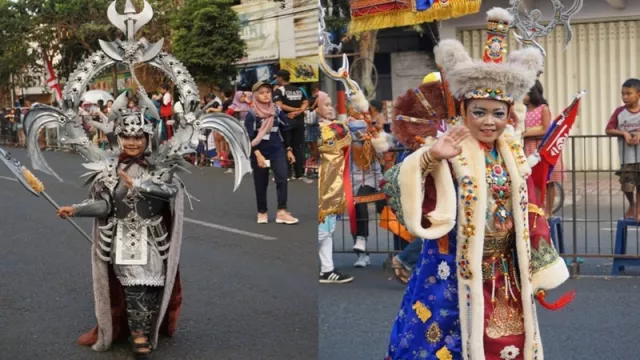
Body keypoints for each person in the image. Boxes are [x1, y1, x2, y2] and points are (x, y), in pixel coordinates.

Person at [384, 9, 573, 359]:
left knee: (505, 347)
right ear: (465, 111)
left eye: (497, 113)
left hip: (503, 273)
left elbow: (531, 207)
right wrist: (430, 159)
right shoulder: (449, 146)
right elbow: (397, 186)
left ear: (508, 115)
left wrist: (538, 262)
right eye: (479, 112)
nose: (489, 122)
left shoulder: (513, 154)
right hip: (451, 271)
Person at [55, 93, 185, 359]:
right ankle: (139, 336)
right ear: (119, 138)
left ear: (147, 138)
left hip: (155, 234)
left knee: (152, 285)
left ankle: (144, 329)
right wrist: (77, 210)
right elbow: (104, 206)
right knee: (135, 284)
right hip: (123, 236)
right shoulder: (108, 169)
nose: (133, 142)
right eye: (127, 136)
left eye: (138, 137)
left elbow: (169, 192)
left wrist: (137, 184)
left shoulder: (161, 166)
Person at [245, 81, 299, 225]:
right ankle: (262, 211)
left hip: (277, 149)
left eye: (267, 92)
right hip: (259, 151)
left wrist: (288, 149)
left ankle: (282, 211)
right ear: (255, 95)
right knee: (261, 182)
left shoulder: (276, 110)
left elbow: (285, 129)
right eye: (261, 93)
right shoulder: (251, 114)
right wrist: (258, 154)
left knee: (282, 178)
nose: (265, 95)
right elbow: (249, 137)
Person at [317, 91, 354, 284]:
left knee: (328, 230)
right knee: (323, 231)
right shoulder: (319, 130)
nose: (330, 108)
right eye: (326, 104)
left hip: (332, 183)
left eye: (331, 104)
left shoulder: (331, 128)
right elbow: (342, 138)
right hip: (321, 186)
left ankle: (327, 269)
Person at [522, 80, 565, 216]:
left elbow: (547, 130)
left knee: (548, 181)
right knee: (533, 181)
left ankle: (548, 211)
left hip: (542, 148)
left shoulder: (543, 109)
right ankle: (537, 209)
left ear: (532, 93)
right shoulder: (522, 110)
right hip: (528, 148)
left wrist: (526, 133)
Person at [605, 78, 640, 220]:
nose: (625, 97)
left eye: (629, 94)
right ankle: (632, 203)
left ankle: (638, 210)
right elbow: (608, 129)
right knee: (627, 185)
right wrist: (623, 133)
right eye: (623, 94)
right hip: (627, 157)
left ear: (638, 94)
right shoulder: (619, 112)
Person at [273, 69, 310, 182]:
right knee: (298, 147)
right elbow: (306, 102)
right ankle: (299, 173)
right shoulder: (299, 90)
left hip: (286, 122)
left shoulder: (279, 91)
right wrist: (299, 111)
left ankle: (287, 174)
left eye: (277, 78)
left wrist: (294, 111)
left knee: (285, 146)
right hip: (299, 122)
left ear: (280, 78)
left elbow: (279, 105)